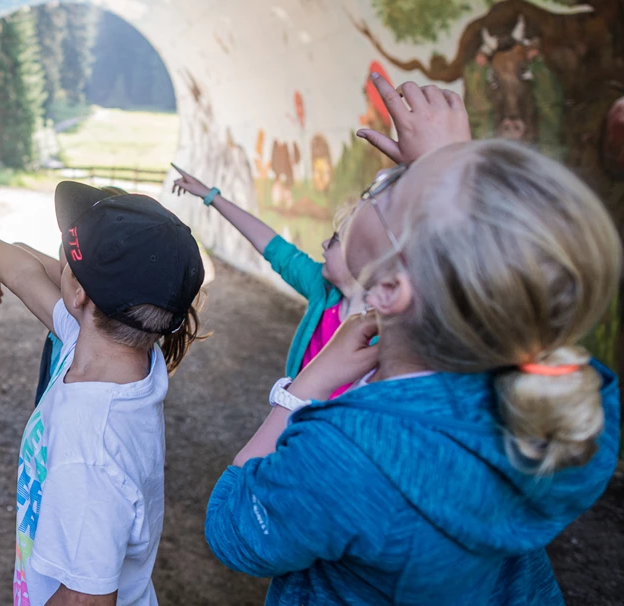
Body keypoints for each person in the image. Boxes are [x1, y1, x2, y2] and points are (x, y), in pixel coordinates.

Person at [204, 74, 621, 604]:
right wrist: (448, 165)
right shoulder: (577, 410)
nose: (384, 179)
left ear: (389, 288)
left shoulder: (344, 453)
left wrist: (303, 389)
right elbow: (492, 247)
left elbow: (231, 527)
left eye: (389, 190)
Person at [0, 182, 206, 606]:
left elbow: (86, 600)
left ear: (79, 292)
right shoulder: (110, 349)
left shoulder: (92, 447)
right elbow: (23, 273)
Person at [171, 165, 365, 396]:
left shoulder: (387, 330)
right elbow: (273, 246)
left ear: (360, 257)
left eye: (335, 240)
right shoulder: (322, 288)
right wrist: (210, 196)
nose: (324, 243)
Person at [0, 187, 131, 407]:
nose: (66, 238)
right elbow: (40, 262)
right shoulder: (103, 298)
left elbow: (25, 273)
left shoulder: (77, 321)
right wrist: (10, 253)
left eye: (74, 235)